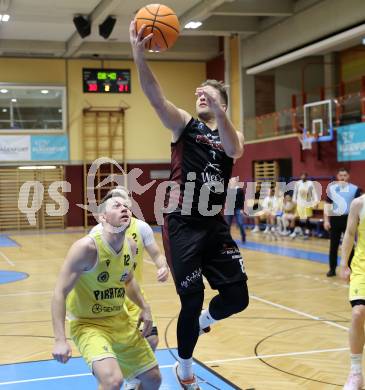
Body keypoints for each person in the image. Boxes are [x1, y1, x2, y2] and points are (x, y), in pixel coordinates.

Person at [130, 21, 249, 390]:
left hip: (213, 224)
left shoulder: (230, 132)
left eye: (209, 95)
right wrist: (138, 54)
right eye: (200, 94)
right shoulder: (186, 126)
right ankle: (184, 369)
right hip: (182, 222)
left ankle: (198, 325)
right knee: (192, 297)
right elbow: (155, 97)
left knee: (238, 297)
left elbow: (235, 150)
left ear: (223, 105)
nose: (202, 98)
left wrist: (219, 109)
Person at [51, 192, 162, 390]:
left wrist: (145, 308)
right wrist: (60, 340)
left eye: (126, 206)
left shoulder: (131, 245)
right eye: (116, 206)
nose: (124, 208)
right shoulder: (87, 248)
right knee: (112, 382)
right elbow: (59, 292)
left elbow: (128, 280)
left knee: (153, 379)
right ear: (102, 217)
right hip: (89, 324)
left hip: (120, 320)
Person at [90, 187, 169, 390]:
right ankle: (121, 373)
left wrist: (163, 266)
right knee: (112, 368)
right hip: (109, 299)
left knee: (151, 339)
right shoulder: (97, 234)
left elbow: (156, 254)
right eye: (116, 203)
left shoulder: (141, 228)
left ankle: (133, 378)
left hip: (134, 296)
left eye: (125, 202)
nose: (123, 206)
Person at [339, 194, 365, 389]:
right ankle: (356, 373)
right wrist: (344, 263)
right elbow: (349, 233)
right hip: (362, 268)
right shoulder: (359, 204)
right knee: (358, 313)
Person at [324, 168, 361, 277]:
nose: (343, 177)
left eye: (345, 175)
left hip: (349, 219)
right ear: (337, 176)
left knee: (349, 245)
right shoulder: (332, 189)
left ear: (348, 176)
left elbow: (360, 206)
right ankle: (332, 269)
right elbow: (327, 205)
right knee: (333, 246)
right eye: (341, 175)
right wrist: (326, 220)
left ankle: (351, 268)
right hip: (335, 220)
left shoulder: (355, 189)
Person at [292, 172, 318, 239]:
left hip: (307, 203)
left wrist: (316, 202)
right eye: (302, 176)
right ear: (300, 176)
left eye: (304, 176)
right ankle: (298, 231)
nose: (303, 178)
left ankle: (307, 232)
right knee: (297, 217)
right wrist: (294, 200)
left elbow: (314, 192)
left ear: (306, 177)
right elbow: (295, 193)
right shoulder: (297, 183)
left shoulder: (310, 183)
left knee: (307, 218)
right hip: (299, 203)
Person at [225, 177, 246, 243]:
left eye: (233, 181)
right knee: (227, 225)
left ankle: (243, 235)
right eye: (231, 181)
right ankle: (227, 239)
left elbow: (242, 201)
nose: (232, 182)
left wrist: (242, 209)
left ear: (236, 182)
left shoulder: (240, 190)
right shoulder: (227, 190)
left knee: (240, 223)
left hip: (238, 209)